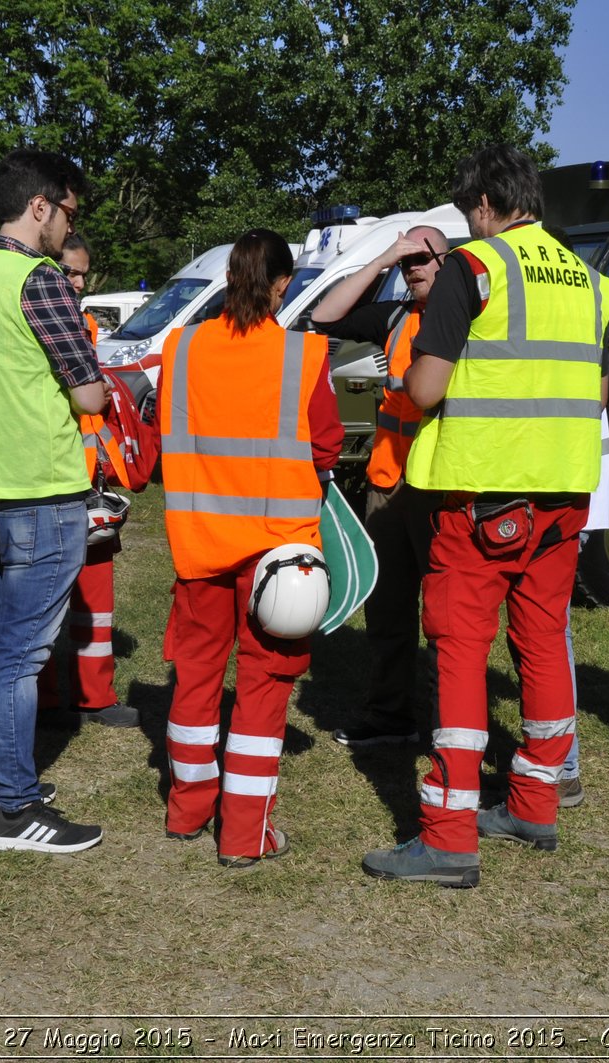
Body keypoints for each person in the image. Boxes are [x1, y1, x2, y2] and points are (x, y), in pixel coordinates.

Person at [361, 145, 609, 888]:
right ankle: (535, 802)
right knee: (540, 645)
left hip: (480, 498)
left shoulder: (475, 269)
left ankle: (446, 833)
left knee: (461, 648)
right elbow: (593, 393)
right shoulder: (592, 284)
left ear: (481, 208)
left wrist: (405, 377)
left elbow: (430, 386)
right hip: (563, 495)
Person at [159, 228, 342, 868]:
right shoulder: (302, 356)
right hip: (277, 559)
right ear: (283, 285)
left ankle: (186, 811)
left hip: (199, 545)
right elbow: (325, 445)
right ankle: (244, 835)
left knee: (195, 680)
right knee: (262, 693)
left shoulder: (180, 348)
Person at [0, 148, 111, 854]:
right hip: (44, 491)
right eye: (69, 212)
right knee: (21, 657)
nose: (68, 227)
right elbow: (87, 392)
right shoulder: (40, 279)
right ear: (41, 206)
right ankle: (15, 810)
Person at [310, 225, 449, 749]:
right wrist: (383, 257)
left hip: (442, 487)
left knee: (444, 616)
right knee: (387, 609)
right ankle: (392, 715)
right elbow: (324, 318)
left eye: (422, 257)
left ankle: (448, 725)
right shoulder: (396, 316)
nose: (412, 268)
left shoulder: (470, 318)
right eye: (406, 260)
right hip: (389, 486)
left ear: (448, 261)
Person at [37, 233, 140, 728]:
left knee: (96, 596)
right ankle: (40, 695)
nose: (78, 284)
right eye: (69, 273)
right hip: (47, 478)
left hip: (89, 480)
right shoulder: (31, 318)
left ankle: (93, 693)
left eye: (82, 274)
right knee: (43, 595)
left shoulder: (87, 326)